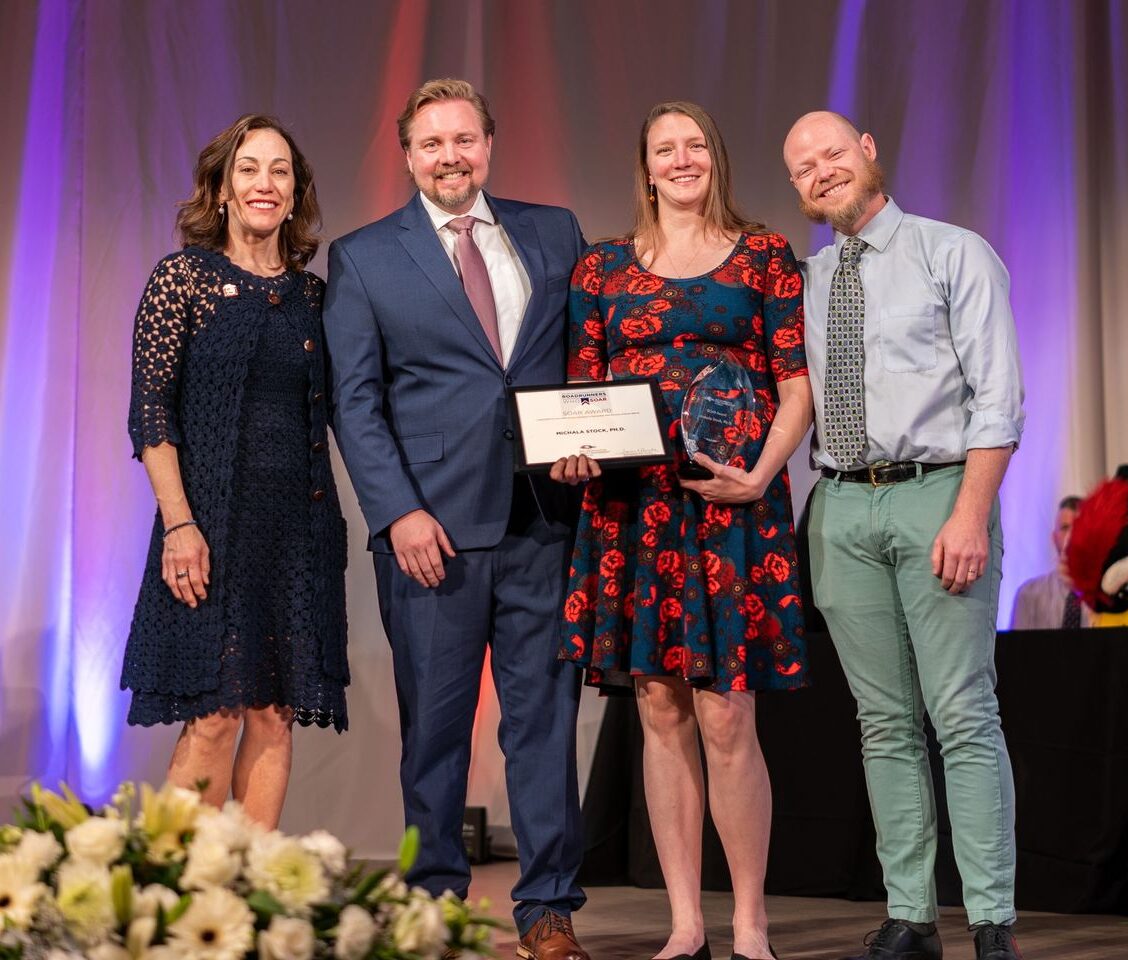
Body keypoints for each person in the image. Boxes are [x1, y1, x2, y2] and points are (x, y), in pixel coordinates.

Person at [322, 79, 590, 960]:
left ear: (489, 145)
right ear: (407, 156)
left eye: (465, 140)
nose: (450, 156)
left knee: (543, 726)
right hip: (430, 535)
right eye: (432, 143)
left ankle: (548, 907)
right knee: (434, 732)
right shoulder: (364, 257)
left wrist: (595, 442)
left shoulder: (553, 232)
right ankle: (431, 909)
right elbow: (354, 403)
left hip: (545, 522)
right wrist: (398, 512)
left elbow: (584, 364)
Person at [553, 101, 811, 960]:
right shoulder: (599, 268)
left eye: (695, 144)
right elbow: (578, 388)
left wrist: (765, 473)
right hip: (635, 513)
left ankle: (748, 923)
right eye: (666, 148)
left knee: (727, 714)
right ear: (646, 166)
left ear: (716, 158)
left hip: (734, 508)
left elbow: (796, 379)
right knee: (660, 709)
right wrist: (575, 454)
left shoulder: (768, 254)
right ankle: (686, 924)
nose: (682, 158)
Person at [783, 110, 1027, 960]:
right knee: (882, 722)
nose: (822, 173)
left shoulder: (952, 251)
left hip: (937, 495)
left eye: (833, 154)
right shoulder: (807, 280)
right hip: (843, 505)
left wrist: (970, 511)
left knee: (962, 715)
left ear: (869, 150)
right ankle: (912, 915)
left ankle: (991, 921)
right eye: (804, 169)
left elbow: (998, 400)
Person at [122, 114, 349, 829]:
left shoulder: (315, 298)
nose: (264, 183)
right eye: (249, 169)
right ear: (220, 189)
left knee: (274, 717)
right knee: (215, 718)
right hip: (209, 531)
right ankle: (182, 908)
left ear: (296, 191)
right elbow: (151, 415)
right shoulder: (181, 280)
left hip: (297, 538)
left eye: (280, 170)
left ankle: (248, 909)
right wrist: (179, 525)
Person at [1010, 496, 1090, 629]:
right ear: (1054, 537)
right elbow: (1018, 649)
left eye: (1079, 527)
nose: (1072, 536)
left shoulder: (1106, 599)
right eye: (1065, 528)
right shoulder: (1029, 594)